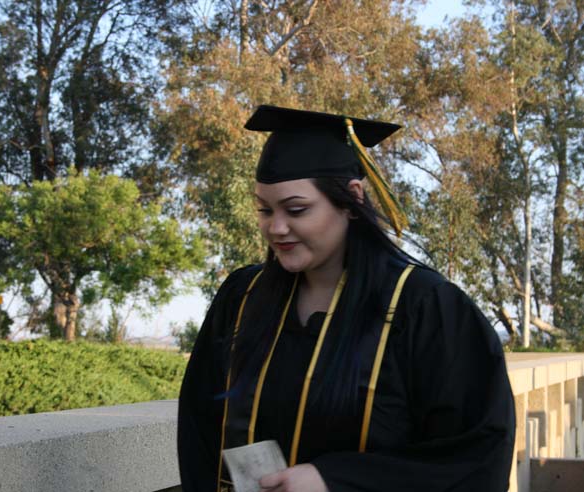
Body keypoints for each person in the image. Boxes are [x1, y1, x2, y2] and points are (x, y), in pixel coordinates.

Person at [177, 105, 516, 492]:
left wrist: (335, 480)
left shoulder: (424, 307)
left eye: (296, 209)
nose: (277, 227)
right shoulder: (242, 299)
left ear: (351, 198)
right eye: (265, 209)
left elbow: (477, 455)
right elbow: (199, 431)